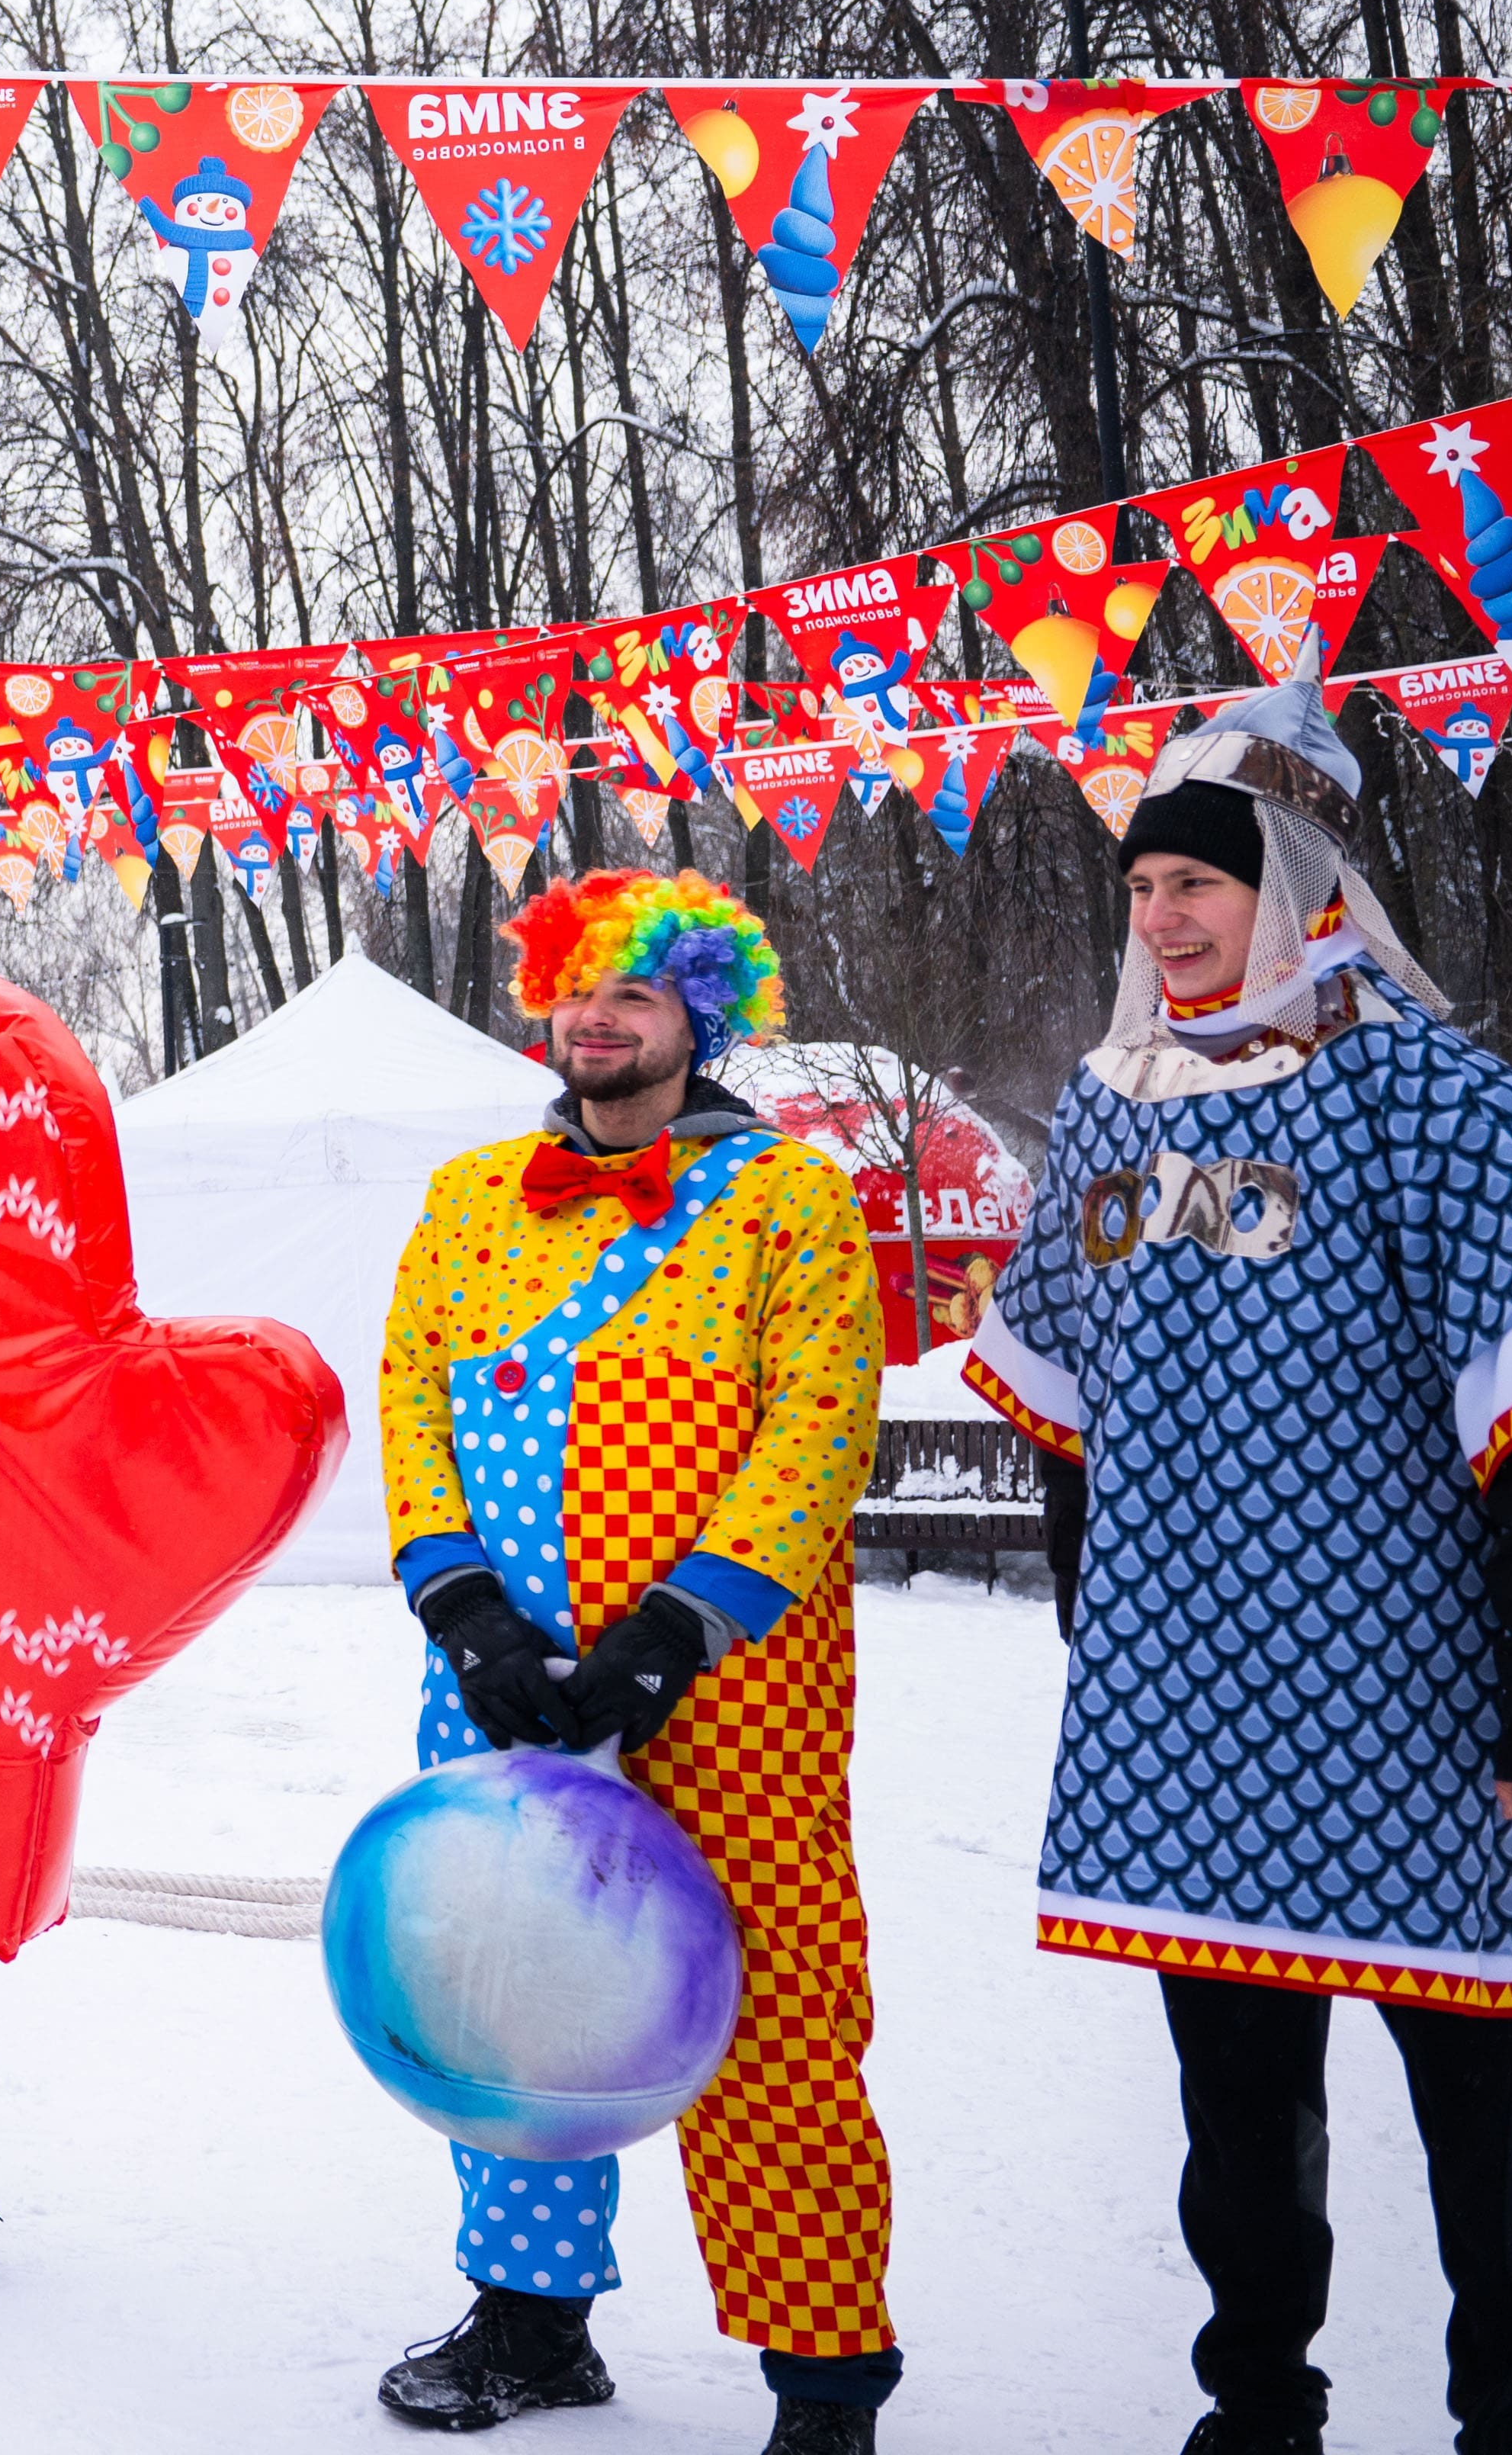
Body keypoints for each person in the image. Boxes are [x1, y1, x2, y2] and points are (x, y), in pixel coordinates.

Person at [962, 673, 1512, 2455]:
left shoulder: (1433, 1099)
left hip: (1415, 1702)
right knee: (1235, 2106)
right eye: (1143, 890)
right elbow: (1060, 1404)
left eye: (1197, 885)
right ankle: (1256, 2403)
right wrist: (1100, 1640)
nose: (1166, 916)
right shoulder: (1110, 1111)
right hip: (1189, 1712)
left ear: (1292, 893)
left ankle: (1510, 2414)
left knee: (1488, 2100)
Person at [373, 873, 896, 2451]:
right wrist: (464, 1608)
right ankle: (535, 2326)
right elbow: (410, 1393)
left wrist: (678, 1628)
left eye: (636, 996)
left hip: (728, 1691)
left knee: (773, 2009)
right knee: (506, 1990)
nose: (596, 1021)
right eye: (575, 991)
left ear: (698, 1017)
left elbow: (823, 1426)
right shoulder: (469, 1194)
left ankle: (823, 2373)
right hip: (501, 1690)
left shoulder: (789, 1198)